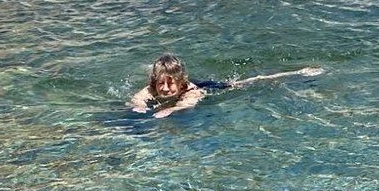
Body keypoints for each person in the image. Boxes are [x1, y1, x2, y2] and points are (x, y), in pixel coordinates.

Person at [129, 53, 323, 119]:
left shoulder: (191, 92)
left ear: (180, 83)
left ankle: (299, 72)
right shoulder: (153, 86)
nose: (163, 88)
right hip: (183, 83)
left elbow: (188, 104)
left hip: (208, 86)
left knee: (242, 83)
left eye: (169, 83)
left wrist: (171, 109)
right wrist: (139, 106)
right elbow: (138, 97)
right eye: (160, 83)